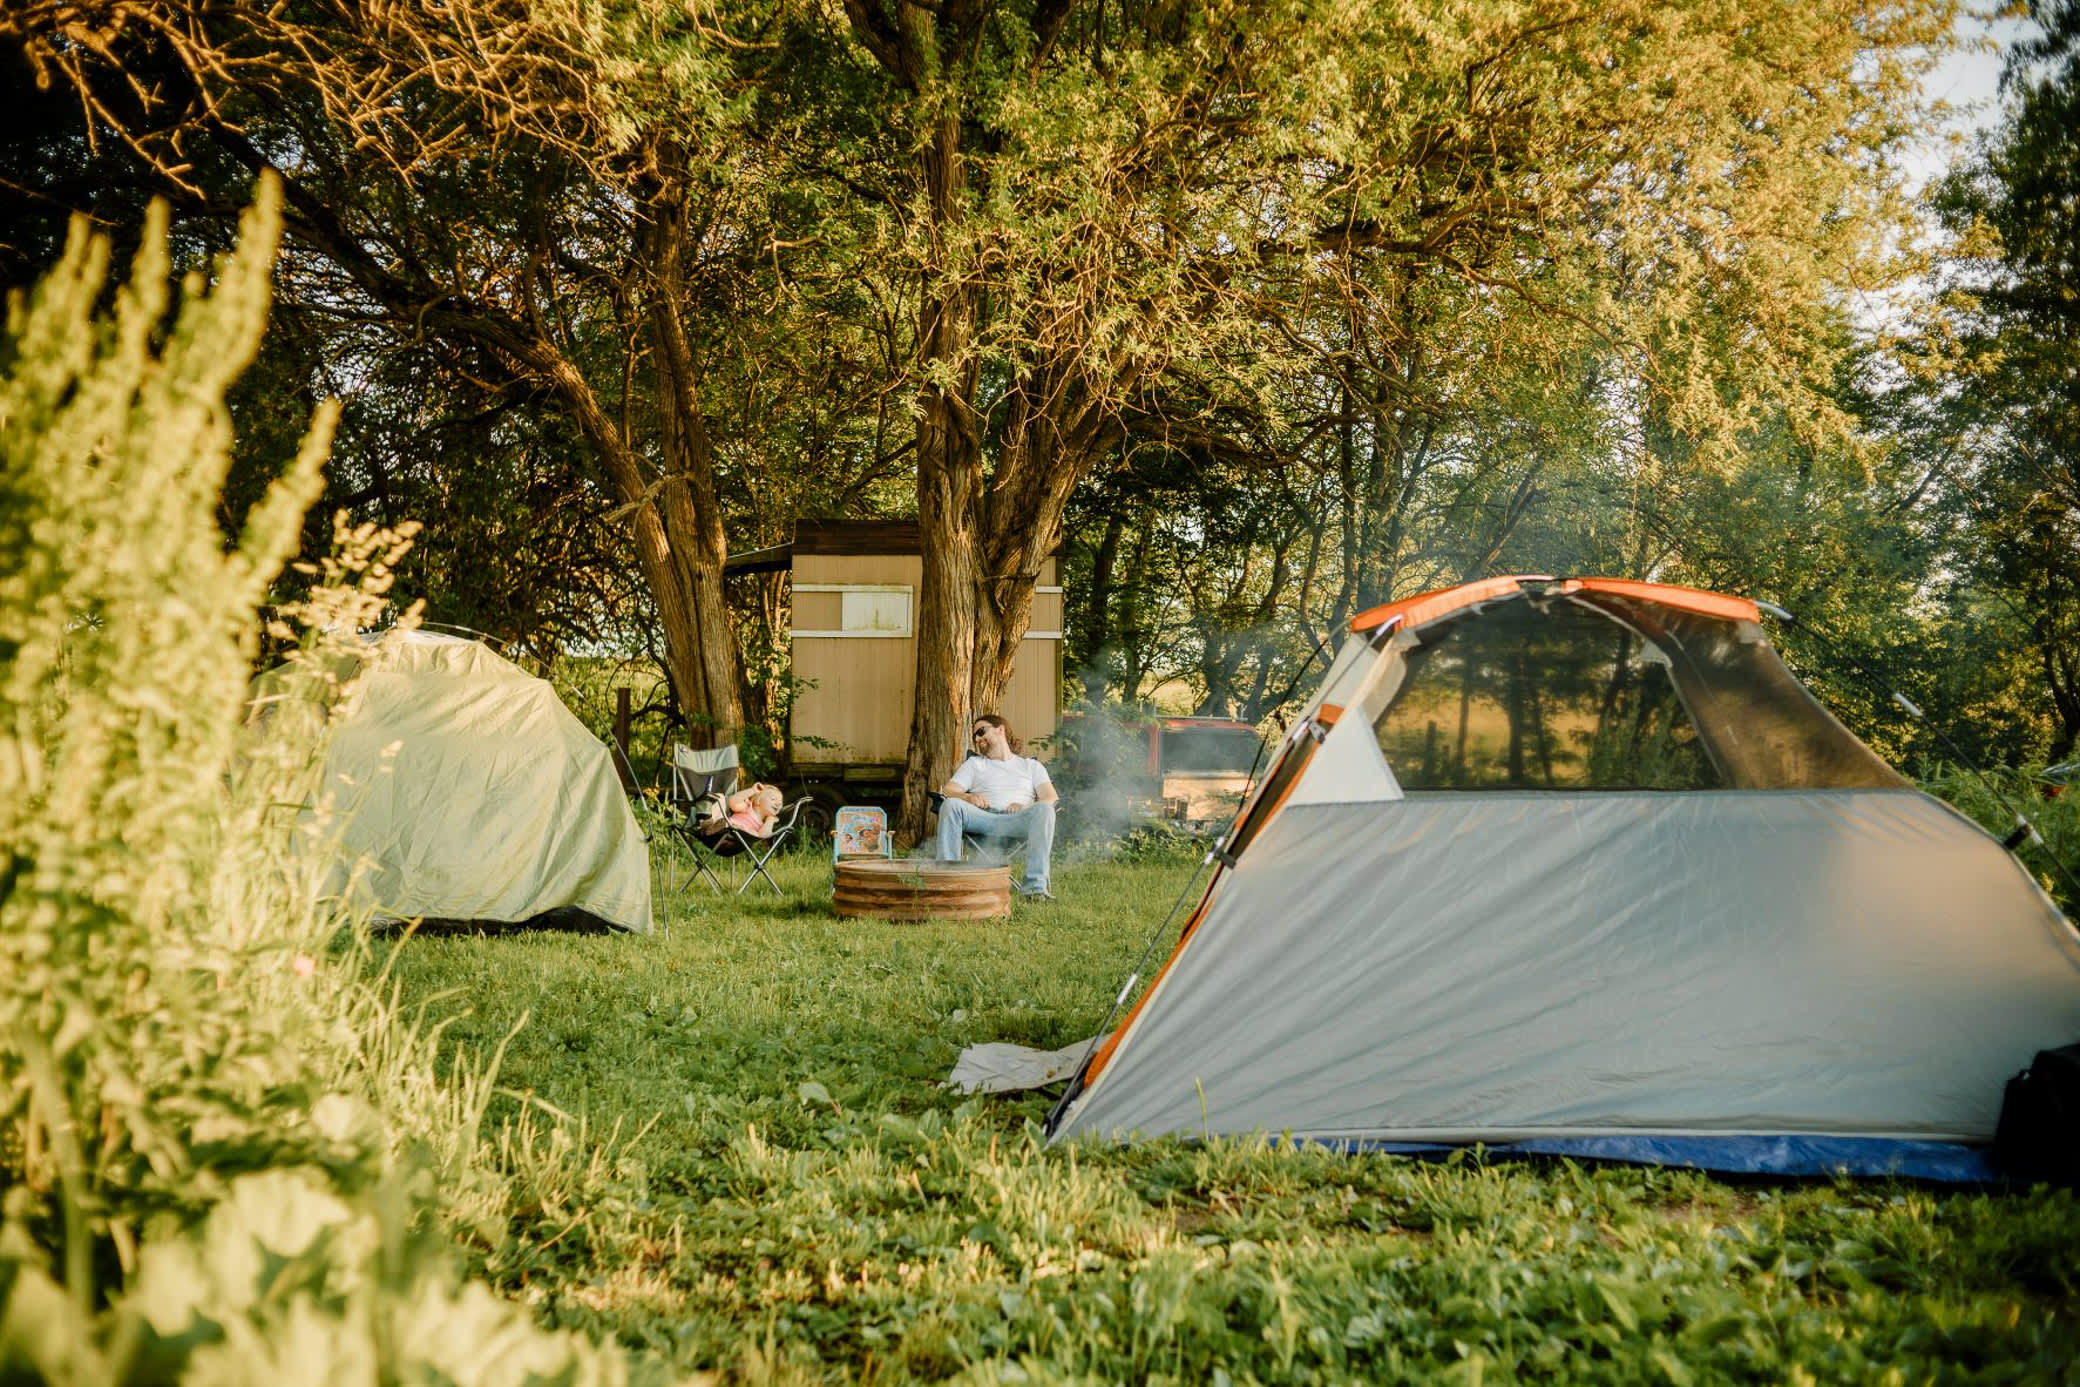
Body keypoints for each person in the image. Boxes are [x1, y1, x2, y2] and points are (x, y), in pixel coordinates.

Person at [938, 713, 1059, 899]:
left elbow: (1050, 797)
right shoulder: (974, 764)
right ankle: (948, 882)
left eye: (981, 732)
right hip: (983, 818)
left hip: (1018, 820)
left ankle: (1034, 888)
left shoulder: (1030, 766)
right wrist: (968, 798)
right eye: (974, 736)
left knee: (1045, 809)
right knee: (951, 805)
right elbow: (948, 790)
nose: (977, 739)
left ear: (1000, 730)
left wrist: (1026, 808)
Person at [703, 782, 783, 839]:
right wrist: (752, 790)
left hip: (737, 838)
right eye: (773, 799)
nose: (778, 803)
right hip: (726, 826)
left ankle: (712, 827)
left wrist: (770, 820)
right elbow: (732, 802)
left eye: (780, 802)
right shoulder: (747, 807)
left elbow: (763, 836)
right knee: (721, 798)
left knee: (756, 835)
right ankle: (708, 821)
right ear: (758, 801)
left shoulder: (763, 827)